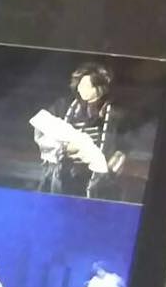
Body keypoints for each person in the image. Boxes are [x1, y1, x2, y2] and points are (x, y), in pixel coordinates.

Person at [33, 63, 122, 198]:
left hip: (96, 181)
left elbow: (122, 147)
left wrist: (113, 163)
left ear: (101, 88)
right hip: (63, 175)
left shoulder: (114, 114)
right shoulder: (63, 106)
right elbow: (43, 132)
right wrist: (63, 148)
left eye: (90, 86)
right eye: (82, 84)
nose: (83, 89)